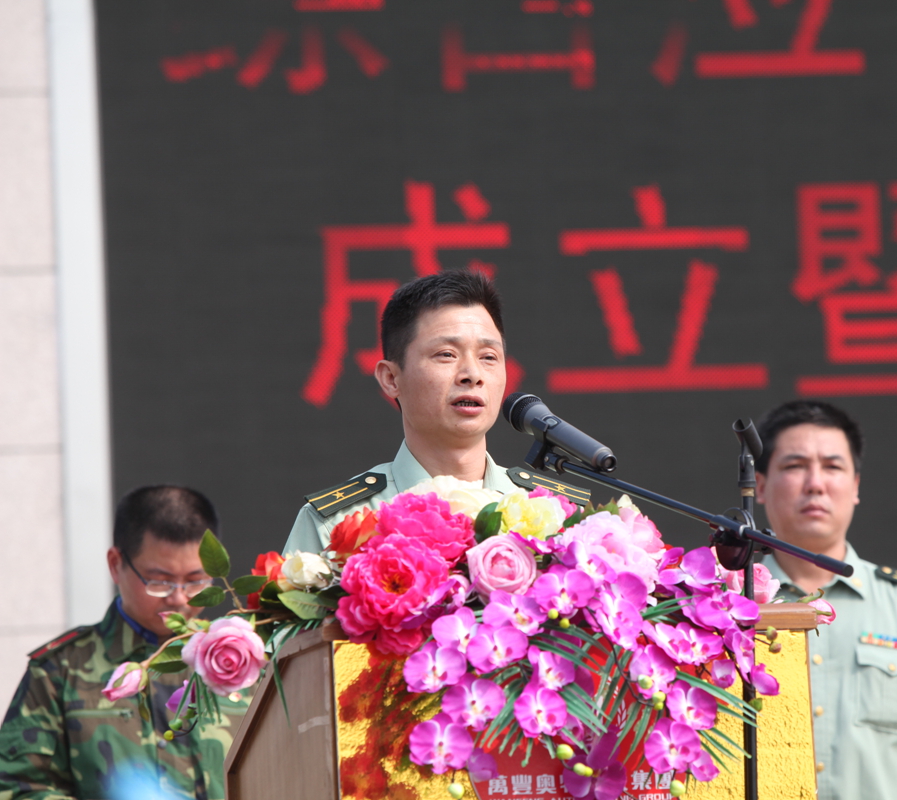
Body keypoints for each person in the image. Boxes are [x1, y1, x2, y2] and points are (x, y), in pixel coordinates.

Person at [753, 399, 897, 800]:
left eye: (832, 467)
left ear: (855, 486)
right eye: (795, 465)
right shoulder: (722, 605)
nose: (815, 483)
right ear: (761, 486)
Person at [0, 485, 250, 800]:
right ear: (116, 564)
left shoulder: (244, 662)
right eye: (159, 581)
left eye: (195, 581)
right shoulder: (59, 671)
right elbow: (16, 789)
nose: (178, 598)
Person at [283, 271, 520, 555]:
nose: (473, 374)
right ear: (391, 378)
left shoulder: (548, 514)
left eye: (488, 357)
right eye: (446, 354)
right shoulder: (336, 526)